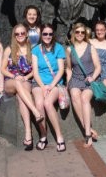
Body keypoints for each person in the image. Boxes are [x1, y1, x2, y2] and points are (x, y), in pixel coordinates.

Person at [1, 24, 44, 150]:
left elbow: (35, 69)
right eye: (17, 34)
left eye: (22, 33)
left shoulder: (33, 48)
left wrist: (26, 77)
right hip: (11, 81)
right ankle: (36, 112)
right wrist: (14, 77)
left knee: (21, 97)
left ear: (27, 34)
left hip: (26, 79)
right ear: (14, 36)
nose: (20, 36)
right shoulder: (9, 49)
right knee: (19, 84)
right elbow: (3, 69)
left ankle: (28, 134)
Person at [32, 24, 66, 152]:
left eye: (50, 34)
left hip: (55, 83)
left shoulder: (58, 48)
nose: (47, 36)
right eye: (45, 34)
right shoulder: (36, 49)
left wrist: (51, 86)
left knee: (47, 103)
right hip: (39, 83)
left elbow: (61, 70)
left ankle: (59, 136)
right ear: (41, 35)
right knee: (39, 104)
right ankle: (43, 135)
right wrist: (43, 87)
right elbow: (35, 72)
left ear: (53, 35)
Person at [66, 23, 101, 148]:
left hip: (89, 79)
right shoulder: (70, 49)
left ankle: (87, 134)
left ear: (85, 34)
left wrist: (92, 78)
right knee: (75, 96)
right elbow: (69, 68)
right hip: (75, 79)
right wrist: (68, 84)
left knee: (85, 98)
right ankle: (88, 128)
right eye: (77, 32)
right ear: (73, 33)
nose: (80, 34)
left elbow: (98, 67)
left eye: (82, 32)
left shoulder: (90, 48)